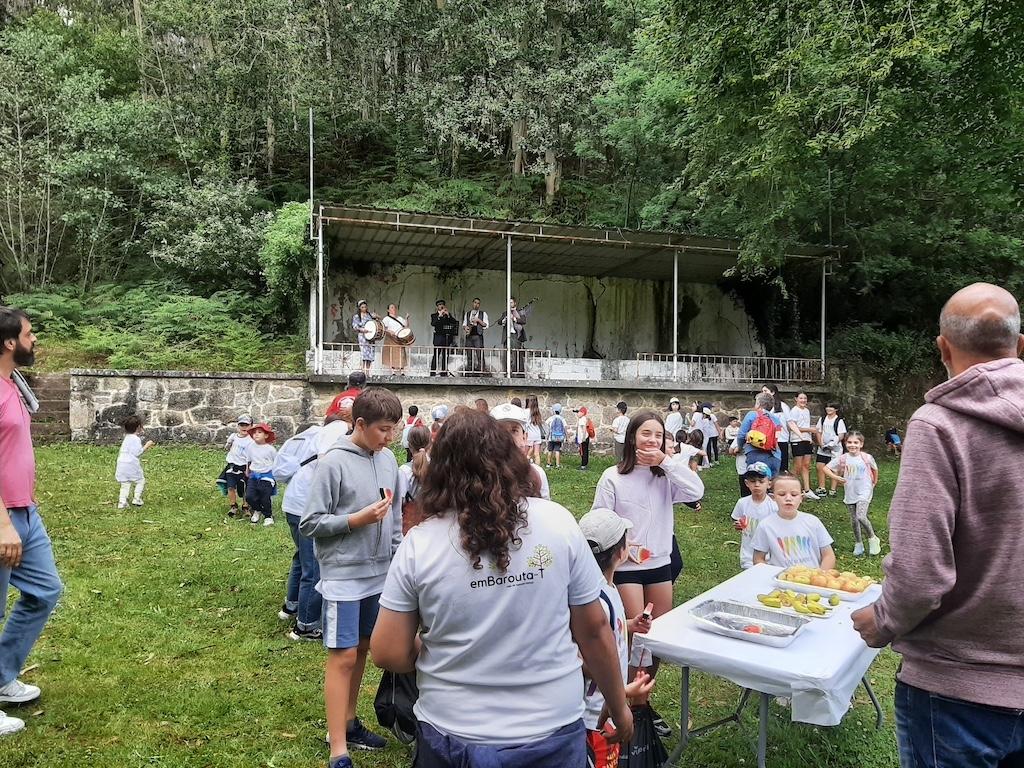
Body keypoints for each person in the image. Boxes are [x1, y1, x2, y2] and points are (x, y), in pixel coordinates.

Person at [370, 408, 634, 765]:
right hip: (551, 726)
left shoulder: (419, 544)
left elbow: (387, 652)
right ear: (511, 458)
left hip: (453, 730)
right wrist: (618, 706)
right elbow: (594, 630)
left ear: (439, 469)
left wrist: (436, 651)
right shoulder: (558, 522)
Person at [851, 283, 1024, 768]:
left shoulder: (938, 425)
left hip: (958, 690)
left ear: (943, 348)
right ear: (1020, 344)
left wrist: (883, 620)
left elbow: (921, 572)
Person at [300, 388, 404, 768]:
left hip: (379, 574)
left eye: (394, 430)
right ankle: (338, 749)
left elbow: (395, 517)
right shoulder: (332, 463)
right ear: (359, 424)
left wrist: (397, 561)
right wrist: (355, 520)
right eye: (383, 430)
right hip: (343, 575)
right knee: (342, 656)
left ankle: (348, 722)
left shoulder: (389, 459)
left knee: (362, 649)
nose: (389, 438)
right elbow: (310, 523)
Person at [591, 411, 704, 662]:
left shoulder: (666, 477)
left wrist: (666, 462)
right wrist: (623, 544)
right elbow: (600, 520)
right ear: (632, 437)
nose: (653, 439)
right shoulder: (612, 476)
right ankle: (628, 685)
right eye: (646, 433)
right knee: (637, 635)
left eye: (659, 435)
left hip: (660, 564)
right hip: (627, 567)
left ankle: (645, 688)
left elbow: (696, 491)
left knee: (658, 637)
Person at [0, 307, 62, 736]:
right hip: (2, 517)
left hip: (25, 511)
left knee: (45, 590)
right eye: (29, 333)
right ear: (9, 342)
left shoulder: (13, 385)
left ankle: (2, 675)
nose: (34, 339)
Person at [578, 508, 655, 768]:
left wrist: (629, 625)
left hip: (607, 706)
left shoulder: (606, 588)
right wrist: (621, 692)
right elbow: (583, 658)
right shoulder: (596, 600)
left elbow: (607, 632)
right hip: (594, 714)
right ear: (621, 552)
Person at [273, 422, 324, 641]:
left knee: (301, 557)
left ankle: (291, 605)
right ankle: (306, 625)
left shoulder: (301, 439)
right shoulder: (326, 440)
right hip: (307, 509)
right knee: (313, 566)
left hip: (293, 506)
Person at [751, 473, 836, 570]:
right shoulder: (765, 525)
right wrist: (772, 575)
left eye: (794, 494)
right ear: (773, 497)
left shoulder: (813, 522)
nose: (788, 498)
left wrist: (821, 575)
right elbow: (758, 558)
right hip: (781, 578)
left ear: (801, 497)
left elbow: (828, 555)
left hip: (812, 577)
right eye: (782, 494)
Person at [822, 431, 881, 556]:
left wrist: (874, 482)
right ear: (845, 443)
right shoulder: (843, 458)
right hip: (850, 491)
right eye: (849, 442)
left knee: (861, 516)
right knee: (854, 520)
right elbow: (825, 468)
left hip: (864, 490)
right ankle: (858, 543)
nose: (852, 445)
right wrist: (836, 478)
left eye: (856, 442)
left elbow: (875, 469)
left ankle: (873, 538)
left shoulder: (867, 458)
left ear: (861, 444)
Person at [491, 402, 549, 500]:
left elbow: (545, 506)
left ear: (524, 437)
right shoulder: (483, 473)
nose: (508, 437)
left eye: (514, 431)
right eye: (501, 431)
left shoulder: (536, 474)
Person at [730, 462, 779, 569]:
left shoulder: (774, 506)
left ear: (769, 483)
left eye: (761, 481)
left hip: (770, 556)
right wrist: (738, 525)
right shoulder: (742, 503)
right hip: (748, 555)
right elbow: (736, 519)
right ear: (746, 483)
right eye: (753, 481)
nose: (757, 485)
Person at [734, 392, 784, 476]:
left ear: (758, 404)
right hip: (775, 456)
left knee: (756, 482)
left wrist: (739, 448)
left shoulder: (752, 414)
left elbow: (741, 435)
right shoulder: (776, 420)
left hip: (755, 455)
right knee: (771, 483)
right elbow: (776, 439)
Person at [115, 415, 154, 509]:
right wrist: (147, 445)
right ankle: (137, 498)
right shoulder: (136, 439)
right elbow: (137, 453)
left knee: (125, 483)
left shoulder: (126, 438)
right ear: (138, 427)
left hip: (121, 464)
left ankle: (122, 502)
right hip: (131, 464)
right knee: (140, 480)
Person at [218, 414, 254, 517]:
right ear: (238, 426)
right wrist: (228, 445)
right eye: (241, 425)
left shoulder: (251, 440)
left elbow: (252, 455)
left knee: (245, 487)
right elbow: (227, 447)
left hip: (244, 467)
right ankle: (233, 506)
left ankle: (246, 506)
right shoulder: (233, 437)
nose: (244, 427)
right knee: (231, 487)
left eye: (246, 425)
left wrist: (248, 469)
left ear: (251, 426)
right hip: (232, 466)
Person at [397, 425, 431, 533]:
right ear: (430, 443)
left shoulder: (404, 471)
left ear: (409, 445)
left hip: (410, 525)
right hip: (431, 523)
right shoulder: (437, 468)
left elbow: (398, 502)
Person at [244, 423, 278, 526]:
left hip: (267, 476)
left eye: (259, 432)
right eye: (254, 432)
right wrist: (247, 470)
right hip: (254, 475)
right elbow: (249, 460)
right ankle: (257, 509)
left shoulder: (270, 449)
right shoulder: (250, 447)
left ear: (266, 435)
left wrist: (276, 475)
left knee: (264, 496)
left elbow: (276, 463)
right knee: (249, 496)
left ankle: (268, 516)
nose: (256, 434)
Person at [787, 392, 819, 499]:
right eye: (801, 398)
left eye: (805, 398)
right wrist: (810, 429)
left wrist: (810, 437)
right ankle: (791, 487)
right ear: (796, 399)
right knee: (798, 466)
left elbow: (806, 426)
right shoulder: (794, 411)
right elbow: (793, 427)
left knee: (806, 465)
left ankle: (807, 489)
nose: (803, 400)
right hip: (797, 439)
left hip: (806, 439)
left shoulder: (806, 411)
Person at [813, 403, 847, 497]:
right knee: (820, 466)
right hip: (823, 447)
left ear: (836, 409)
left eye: (831, 407)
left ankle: (833, 489)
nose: (829, 409)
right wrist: (821, 444)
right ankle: (822, 487)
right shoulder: (822, 419)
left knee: (834, 468)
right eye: (827, 407)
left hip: (835, 448)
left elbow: (841, 435)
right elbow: (818, 432)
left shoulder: (839, 421)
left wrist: (832, 444)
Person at [498, 297, 532, 377]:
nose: (509, 304)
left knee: (516, 354)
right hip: (507, 336)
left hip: (516, 336)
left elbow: (523, 321)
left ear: (515, 303)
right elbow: (499, 322)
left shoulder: (520, 312)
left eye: (511, 302)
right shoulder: (505, 313)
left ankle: (519, 374)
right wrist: (504, 320)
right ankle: (507, 373)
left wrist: (514, 318)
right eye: (508, 302)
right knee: (506, 355)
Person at [762, 384, 791, 472]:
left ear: (773, 392)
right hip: (768, 440)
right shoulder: (763, 407)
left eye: (765, 391)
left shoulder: (783, 406)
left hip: (781, 439)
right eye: (762, 391)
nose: (763, 393)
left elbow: (789, 422)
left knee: (782, 466)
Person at [429, 300, 458, 377]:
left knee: (445, 355)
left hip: (446, 337)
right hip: (438, 337)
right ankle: (432, 372)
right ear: (437, 307)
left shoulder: (447, 315)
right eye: (439, 305)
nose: (441, 306)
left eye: (442, 304)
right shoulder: (434, 315)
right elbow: (433, 323)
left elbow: (454, 322)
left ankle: (444, 372)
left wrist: (448, 316)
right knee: (436, 355)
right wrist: (439, 316)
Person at [381, 303, 410, 375]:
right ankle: (393, 371)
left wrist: (406, 318)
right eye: (391, 307)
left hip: (399, 338)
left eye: (394, 307)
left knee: (401, 354)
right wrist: (389, 331)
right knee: (391, 354)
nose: (393, 309)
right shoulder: (386, 319)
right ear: (388, 310)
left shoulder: (400, 318)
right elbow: (383, 328)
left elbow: (406, 326)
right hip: (390, 338)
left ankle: (402, 371)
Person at [461, 298, 489, 375]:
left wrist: (478, 320)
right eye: (475, 303)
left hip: (478, 336)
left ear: (479, 305)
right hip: (469, 336)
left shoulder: (483, 314)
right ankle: (469, 371)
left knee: (480, 354)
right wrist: (465, 328)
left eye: (478, 303)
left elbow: (486, 325)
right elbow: (464, 324)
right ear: (472, 303)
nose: (476, 304)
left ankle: (481, 371)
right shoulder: (467, 314)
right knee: (469, 354)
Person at [351, 300, 378, 375]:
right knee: (364, 354)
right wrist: (362, 329)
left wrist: (377, 316)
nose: (364, 308)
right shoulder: (357, 316)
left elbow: (375, 322)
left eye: (365, 307)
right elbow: (355, 326)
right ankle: (363, 371)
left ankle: (368, 371)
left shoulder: (370, 315)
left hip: (371, 336)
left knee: (370, 355)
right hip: (362, 336)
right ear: (359, 308)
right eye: (362, 307)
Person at [545, 403, 567, 469]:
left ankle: (548, 464)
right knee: (557, 451)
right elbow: (565, 428)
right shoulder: (562, 419)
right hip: (559, 438)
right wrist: (566, 436)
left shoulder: (551, 418)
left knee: (550, 450)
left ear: (554, 410)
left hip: (551, 437)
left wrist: (547, 435)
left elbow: (546, 424)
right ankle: (557, 465)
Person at [525, 396, 544, 464]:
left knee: (526, 454)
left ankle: (525, 467)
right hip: (537, 435)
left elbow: (525, 425)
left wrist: (524, 435)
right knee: (537, 454)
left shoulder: (526, 411)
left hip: (529, 435)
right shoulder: (537, 412)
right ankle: (537, 468)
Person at [575, 406, 593, 471]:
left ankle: (583, 466)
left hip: (584, 438)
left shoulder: (582, 419)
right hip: (585, 438)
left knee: (583, 452)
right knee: (585, 451)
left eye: (578, 412)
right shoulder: (583, 419)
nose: (577, 414)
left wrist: (583, 438)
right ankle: (585, 464)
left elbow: (584, 429)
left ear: (582, 413)